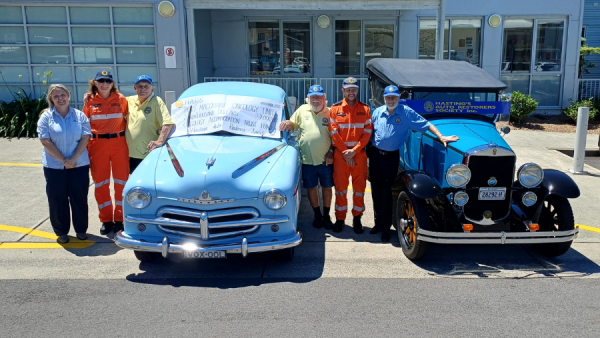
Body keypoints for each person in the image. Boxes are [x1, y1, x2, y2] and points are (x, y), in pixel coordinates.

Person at [368, 85, 459, 242]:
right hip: (375, 156)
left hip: (390, 158)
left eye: (394, 98)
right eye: (388, 98)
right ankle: (377, 223)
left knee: (387, 192)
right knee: (376, 191)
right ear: (384, 98)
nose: (391, 100)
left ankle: (385, 228)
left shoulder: (405, 112)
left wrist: (441, 136)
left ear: (398, 98)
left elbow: (426, 124)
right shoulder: (377, 112)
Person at [37, 84, 91, 244]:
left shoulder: (80, 116)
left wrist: (73, 159)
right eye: (56, 96)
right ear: (51, 99)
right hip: (54, 166)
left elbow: (85, 137)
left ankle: (81, 230)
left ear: (68, 95)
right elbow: (45, 141)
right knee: (57, 198)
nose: (60, 98)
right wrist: (64, 160)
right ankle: (61, 231)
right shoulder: (46, 117)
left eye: (62, 95)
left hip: (79, 165)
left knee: (79, 198)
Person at [279, 84, 334, 229]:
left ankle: (327, 216)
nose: (316, 100)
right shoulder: (303, 110)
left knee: (327, 188)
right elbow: (293, 123)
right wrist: (287, 123)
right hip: (307, 160)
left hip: (326, 160)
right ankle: (317, 215)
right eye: (313, 97)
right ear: (308, 98)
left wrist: (332, 151)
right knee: (312, 188)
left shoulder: (331, 112)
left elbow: (337, 136)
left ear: (324, 98)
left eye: (319, 97)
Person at [82, 70, 129, 235]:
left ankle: (120, 219)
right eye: (100, 81)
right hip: (97, 145)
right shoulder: (89, 101)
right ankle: (106, 219)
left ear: (112, 83)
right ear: (95, 83)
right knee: (101, 184)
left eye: (107, 81)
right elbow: (84, 125)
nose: (104, 84)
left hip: (119, 144)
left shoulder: (121, 99)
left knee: (121, 183)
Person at [329, 77, 372, 234]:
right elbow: (333, 132)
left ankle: (357, 218)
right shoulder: (335, 109)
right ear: (343, 91)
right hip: (341, 155)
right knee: (340, 189)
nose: (351, 92)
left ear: (357, 90)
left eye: (354, 89)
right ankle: (340, 219)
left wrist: (354, 151)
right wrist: (345, 152)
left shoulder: (365, 109)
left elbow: (367, 134)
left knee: (359, 189)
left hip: (359, 155)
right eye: (348, 89)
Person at [125, 75, 175, 173]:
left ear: (152, 88)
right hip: (129, 154)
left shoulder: (157, 101)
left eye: (146, 86)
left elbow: (168, 123)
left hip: (148, 154)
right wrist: (91, 95)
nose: (143, 89)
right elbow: (111, 98)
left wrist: (160, 141)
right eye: (140, 86)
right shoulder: (128, 101)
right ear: (135, 88)